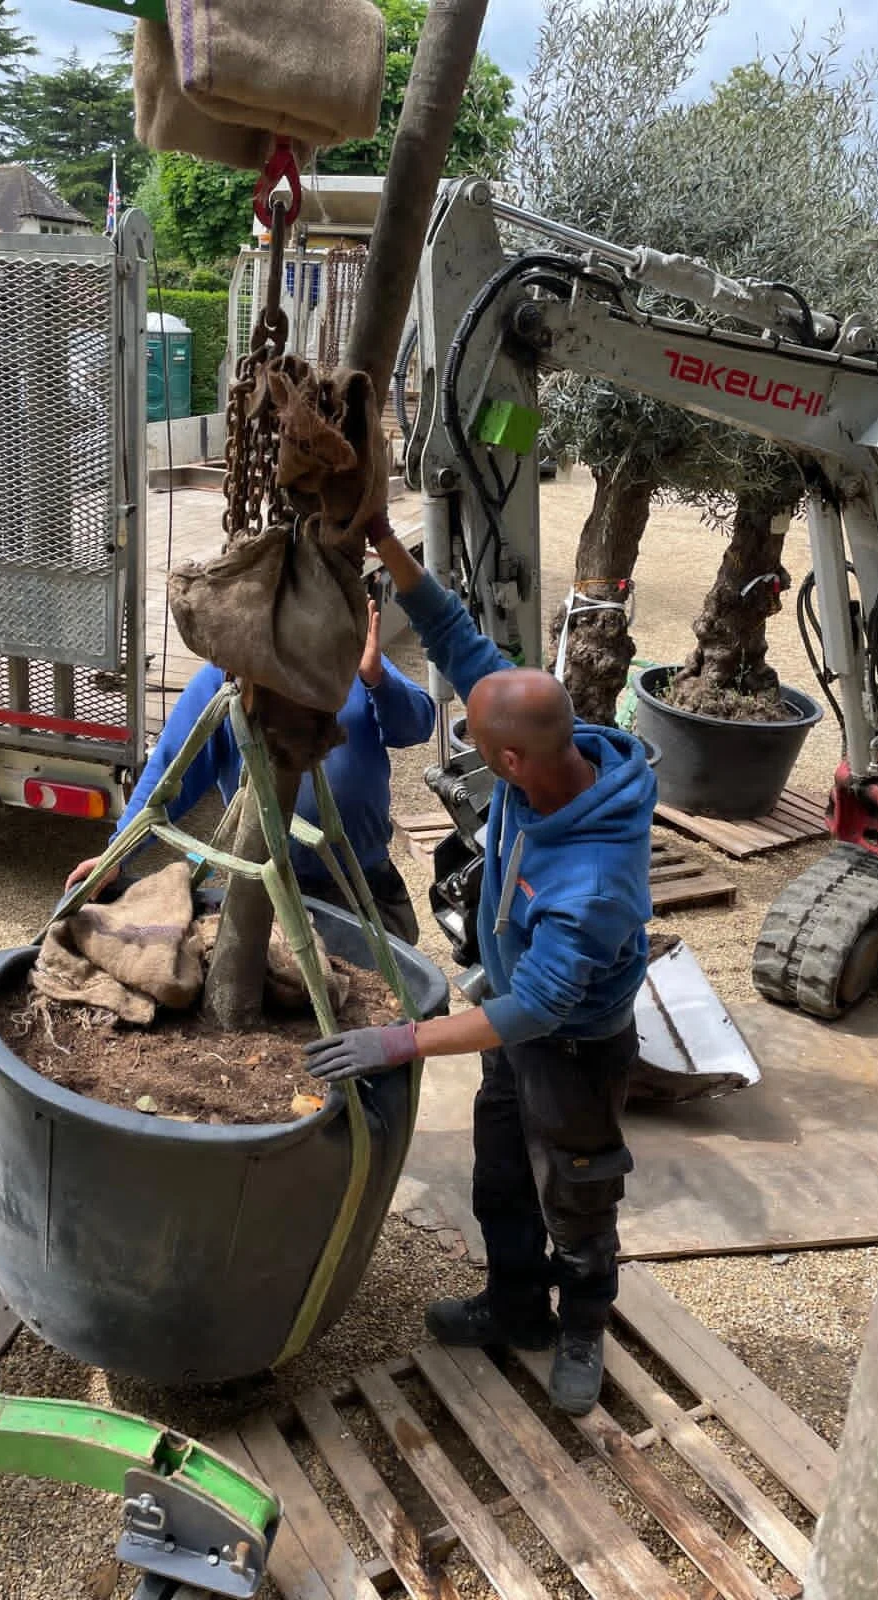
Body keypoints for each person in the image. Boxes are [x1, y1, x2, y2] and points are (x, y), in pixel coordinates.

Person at [303, 516, 657, 1416]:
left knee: (576, 1192)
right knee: (500, 1172)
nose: (462, 723)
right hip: (512, 1010)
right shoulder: (537, 740)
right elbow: (458, 636)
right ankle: (514, 1306)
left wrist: (401, 1042)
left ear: (506, 760)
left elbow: (540, 1009)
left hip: (574, 1047)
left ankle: (581, 1327)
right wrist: (384, 540)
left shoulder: (594, 879)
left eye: (471, 735)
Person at [66, 599, 435, 944]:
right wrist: (117, 853)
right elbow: (169, 771)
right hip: (271, 886)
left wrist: (377, 679)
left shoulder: (348, 660)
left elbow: (417, 725)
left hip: (362, 881)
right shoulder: (225, 679)